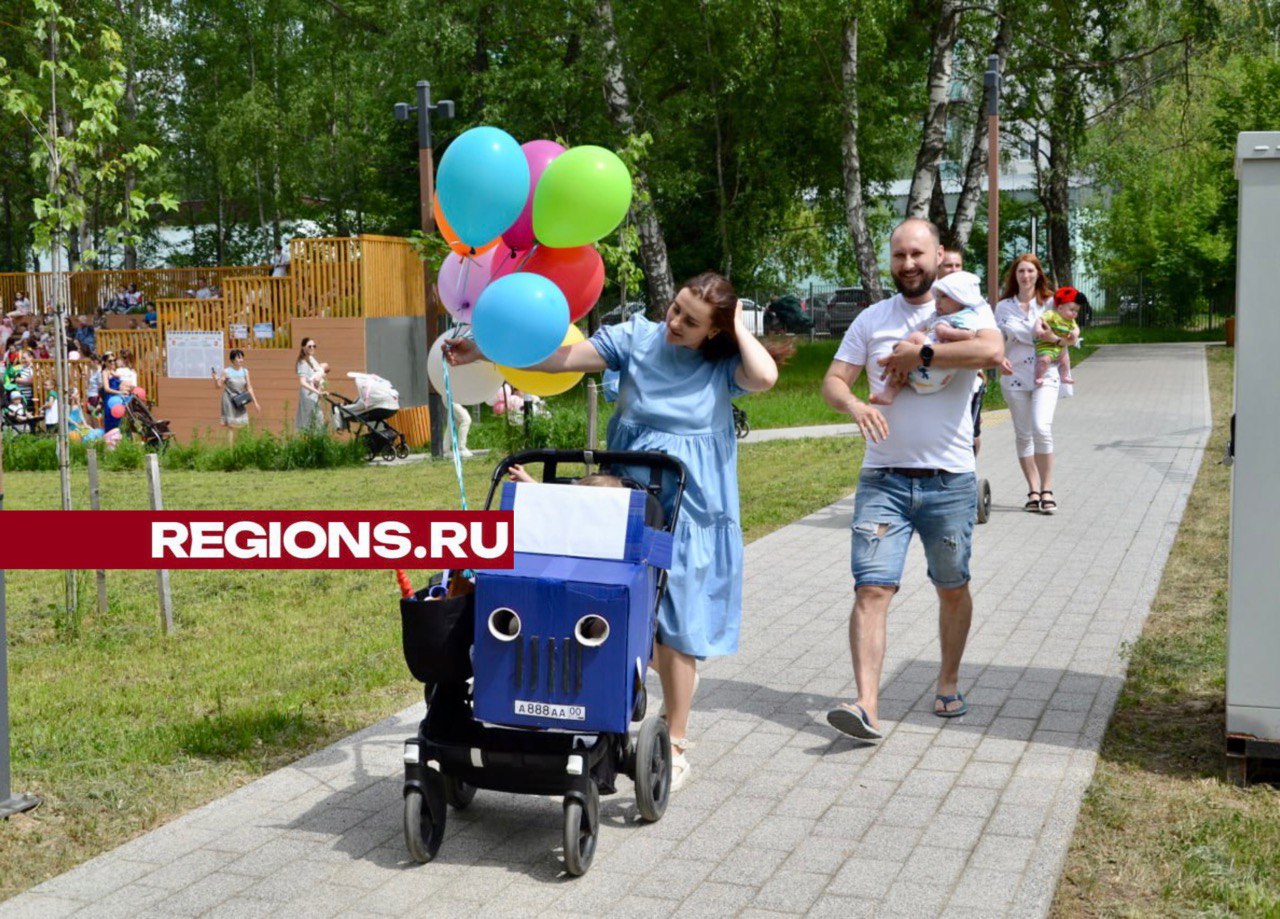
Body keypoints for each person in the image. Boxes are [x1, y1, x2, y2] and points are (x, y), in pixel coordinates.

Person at [446, 272, 783, 790]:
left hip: (691, 500)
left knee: (677, 618)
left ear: (714, 332)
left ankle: (676, 739)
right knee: (615, 600)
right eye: (675, 308)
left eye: (690, 321)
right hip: (624, 487)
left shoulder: (723, 363)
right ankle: (598, 712)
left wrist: (737, 326)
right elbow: (560, 360)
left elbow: (764, 379)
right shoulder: (637, 337)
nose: (674, 322)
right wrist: (490, 353)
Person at [821, 218, 1003, 740]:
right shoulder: (873, 318)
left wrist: (918, 354)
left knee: (952, 586)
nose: (907, 265)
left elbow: (991, 352)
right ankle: (866, 706)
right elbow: (834, 380)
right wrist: (854, 404)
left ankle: (947, 681)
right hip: (882, 478)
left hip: (949, 480)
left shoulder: (967, 307)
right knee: (871, 590)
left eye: (917, 254)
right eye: (898, 256)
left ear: (938, 254)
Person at [995, 254, 1076, 515]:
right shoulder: (1003, 306)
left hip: (1047, 371)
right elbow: (997, 338)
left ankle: (1047, 488)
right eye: (1021, 271)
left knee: (1041, 426)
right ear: (1014, 275)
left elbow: (1073, 335)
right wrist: (997, 359)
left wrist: (1054, 337)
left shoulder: (1052, 303)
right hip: (1014, 375)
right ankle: (1032, 489)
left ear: (1038, 274)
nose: (1026, 276)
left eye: (1030, 271)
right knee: (1023, 434)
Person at [869, 270, 988, 404]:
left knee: (915, 338)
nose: (937, 302)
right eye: (937, 297)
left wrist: (944, 331)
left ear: (960, 299)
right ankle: (889, 393)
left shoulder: (964, 316)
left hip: (940, 366)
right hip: (925, 373)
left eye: (944, 297)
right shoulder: (937, 315)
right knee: (909, 349)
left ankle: (891, 358)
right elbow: (925, 329)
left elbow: (969, 334)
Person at [1035, 287, 1082, 386]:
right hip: (1047, 345)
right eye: (1072, 310)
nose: (1074, 313)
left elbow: (1076, 329)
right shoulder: (1052, 314)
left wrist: (1075, 334)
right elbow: (1040, 319)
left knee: (1065, 361)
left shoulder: (1071, 321)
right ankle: (1039, 376)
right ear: (1060, 308)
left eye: (1076, 311)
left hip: (1061, 347)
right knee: (1044, 360)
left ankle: (1064, 376)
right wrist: (1038, 329)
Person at [212, 348, 260, 437]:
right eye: (239, 358)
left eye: (242, 358)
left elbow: (249, 387)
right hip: (229, 400)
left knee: (245, 424)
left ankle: (245, 445)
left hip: (240, 400)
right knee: (231, 426)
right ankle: (231, 450)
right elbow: (218, 386)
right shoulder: (226, 371)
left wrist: (255, 403)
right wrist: (215, 379)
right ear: (233, 359)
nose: (241, 360)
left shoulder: (245, 371)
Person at [294, 338, 328, 432]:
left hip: (315, 393)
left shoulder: (312, 359)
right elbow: (303, 382)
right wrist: (317, 391)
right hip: (308, 394)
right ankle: (309, 442)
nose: (312, 348)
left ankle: (316, 441)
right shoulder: (302, 363)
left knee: (318, 418)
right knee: (310, 420)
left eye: (314, 346)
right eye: (309, 346)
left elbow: (320, 370)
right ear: (303, 347)